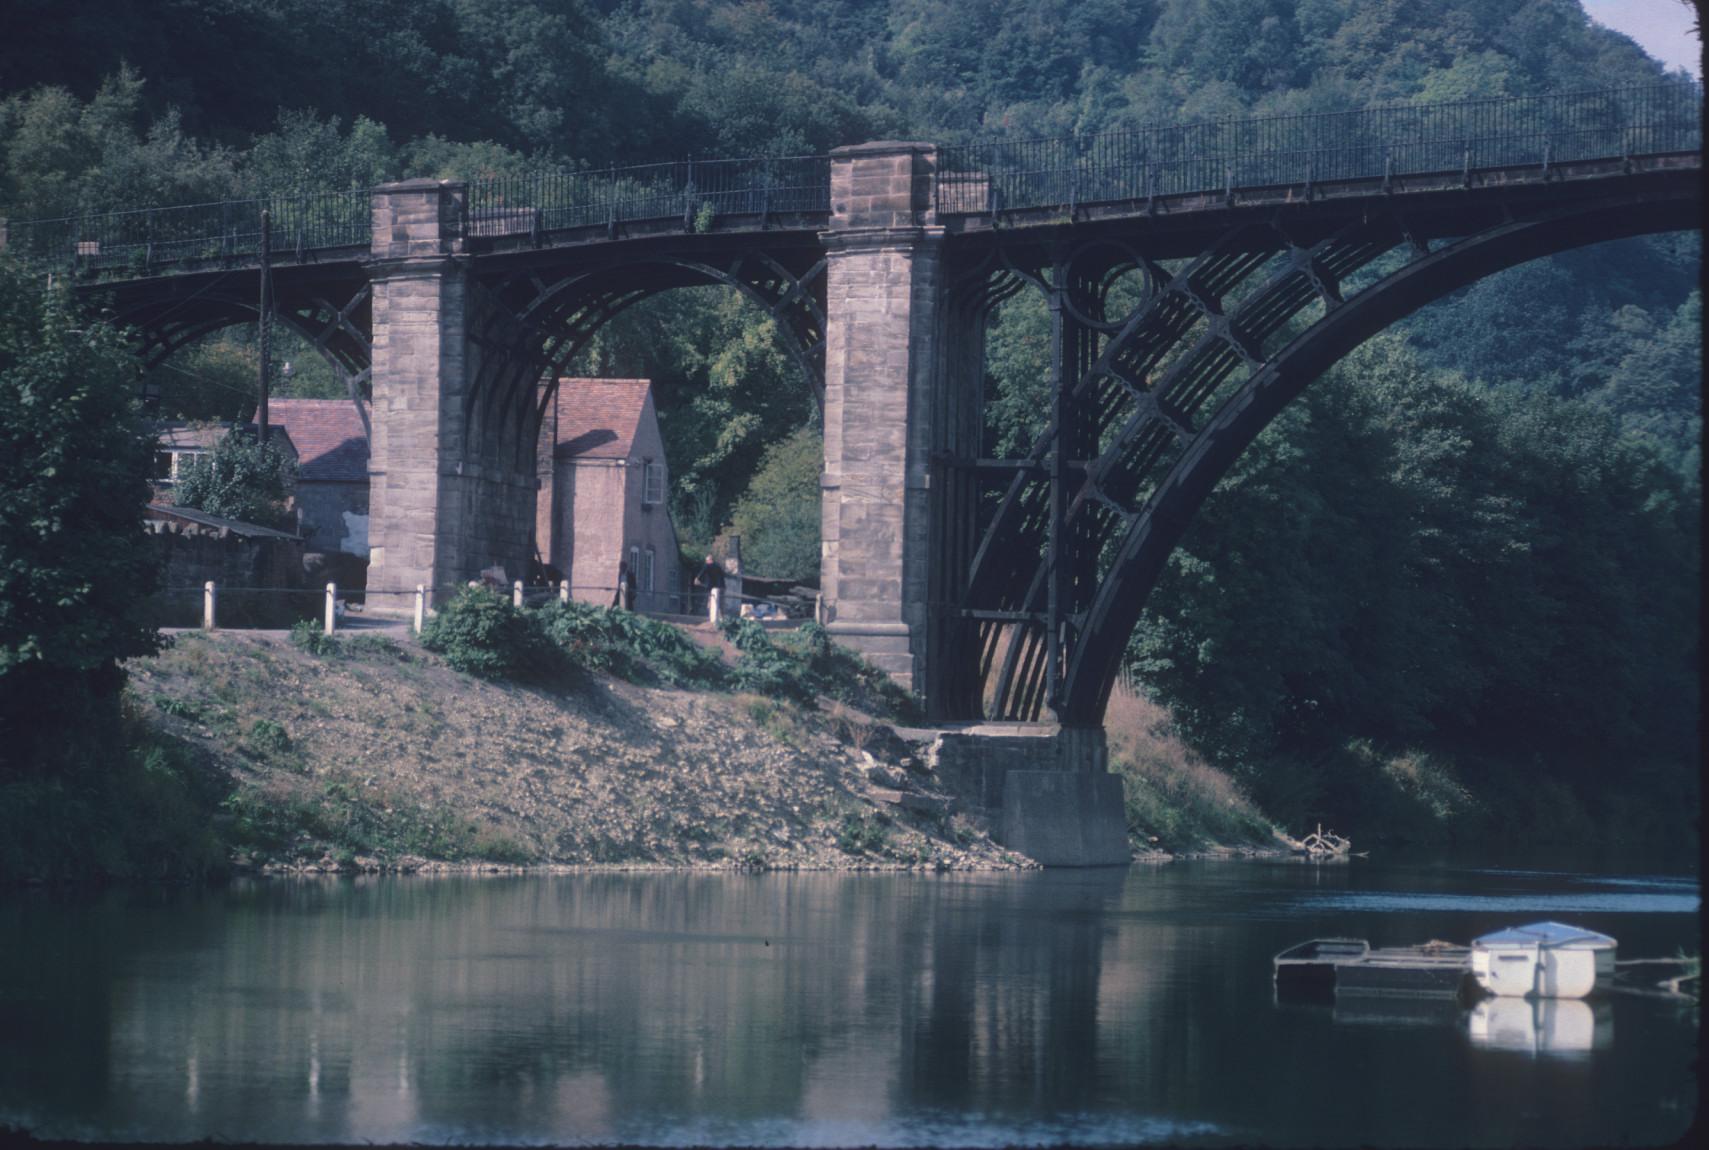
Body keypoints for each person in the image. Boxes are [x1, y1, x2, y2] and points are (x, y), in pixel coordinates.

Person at [694, 554, 725, 625]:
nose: (706, 562)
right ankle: (721, 619)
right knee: (719, 603)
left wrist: (697, 578)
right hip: (720, 587)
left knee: (712, 602)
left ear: (710, 560)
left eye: (707, 560)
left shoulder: (707, 565)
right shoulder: (718, 566)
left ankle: (713, 620)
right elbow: (722, 575)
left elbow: (702, 572)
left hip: (713, 588)